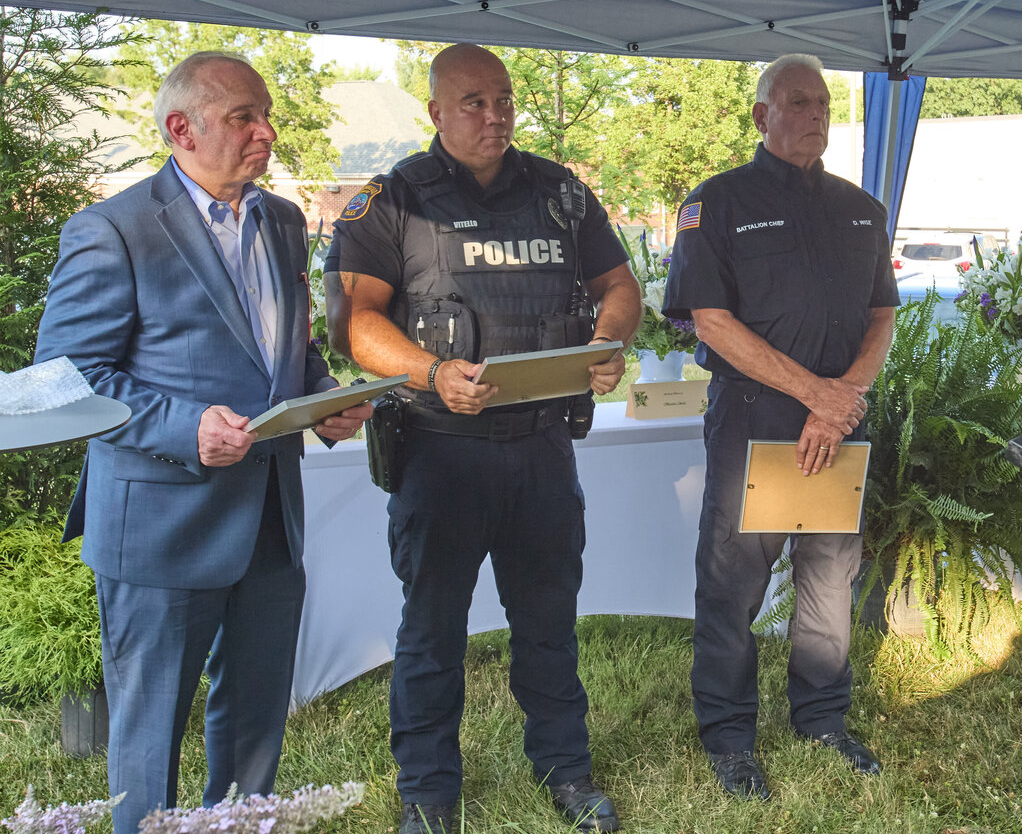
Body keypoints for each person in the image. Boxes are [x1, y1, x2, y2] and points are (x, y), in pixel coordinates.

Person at [33, 52, 372, 834]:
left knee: (256, 717)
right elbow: (67, 380)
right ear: (181, 129)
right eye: (243, 117)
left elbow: (285, 354)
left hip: (269, 519)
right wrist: (183, 429)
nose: (266, 133)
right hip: (159, 525)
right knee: (150, 733)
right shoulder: (111, 229)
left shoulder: (283, 220)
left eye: (266, 115)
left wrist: (323, 400)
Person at [325, 43, 640, 834]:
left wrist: (607, 344)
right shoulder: (394, 200)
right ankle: (428, 795)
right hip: (440, 449)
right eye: (473, 102)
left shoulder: (560, 193)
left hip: (540, 448)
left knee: (547, 622)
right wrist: (430, 373)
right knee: (432, 630)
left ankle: (567, 773)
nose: (493, 114)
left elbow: (620, 287)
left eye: (502, 99)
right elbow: (354, 322)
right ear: (434, 111)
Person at [663, 53, 898, 799]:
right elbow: (710, 319)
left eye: (823, 103)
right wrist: (815, 396)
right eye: (797, 103)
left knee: (830, 576)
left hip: (841, 417)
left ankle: (823, 719)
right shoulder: (718, 203)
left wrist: (845, 396)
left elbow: (883, 314)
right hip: (755, 417)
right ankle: (730, 738)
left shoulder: (862, 207)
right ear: (761, 115)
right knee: (733, 584)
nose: (815, 115)